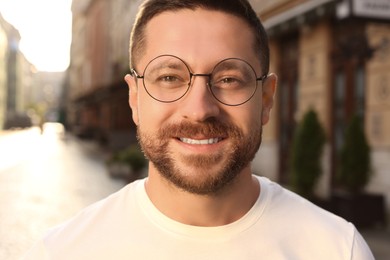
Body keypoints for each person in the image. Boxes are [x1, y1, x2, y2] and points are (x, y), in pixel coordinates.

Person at [24, 0, 374, 259]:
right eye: (170, 77)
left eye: (228, 79)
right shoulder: (60, 252)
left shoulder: (339, 249)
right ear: (134, 98)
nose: (199, 109)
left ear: (266, 99)